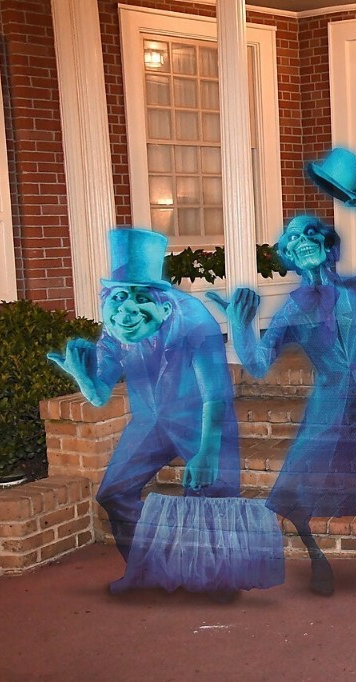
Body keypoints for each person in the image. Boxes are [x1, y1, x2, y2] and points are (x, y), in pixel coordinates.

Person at [210, 154, 356, 596]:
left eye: (310, 233)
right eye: (292, 239)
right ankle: (315, 556)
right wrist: (239, 327)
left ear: (328, 245)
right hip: (329, 411)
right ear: (289, 256)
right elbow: (257, 363)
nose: (302, 240)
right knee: (296, 491)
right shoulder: (293, 308)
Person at [48, 228, 243, 580]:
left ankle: (208, 577)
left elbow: (216, 393)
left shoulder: (195, 321)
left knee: (210, 499)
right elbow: (99, 394)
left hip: (199, 418)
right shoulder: (114, 330)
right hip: (151, 420)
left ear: (164, 305)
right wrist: (82, 375)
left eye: (139, 299)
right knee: (114, 493)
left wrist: (208, 451)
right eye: (118, 298)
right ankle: (150, 567)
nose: (126, 311)